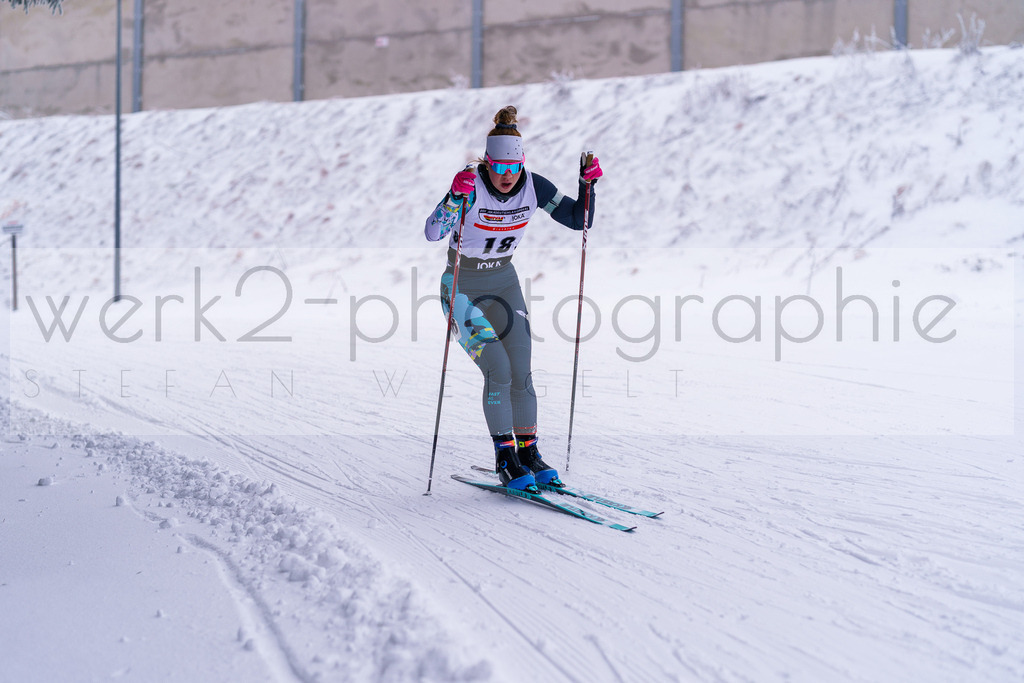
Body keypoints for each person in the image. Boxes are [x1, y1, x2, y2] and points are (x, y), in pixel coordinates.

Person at [424, 105, 603, 491]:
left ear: (522, 165)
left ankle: (529, 454)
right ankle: (505, 458)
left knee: (521, 371)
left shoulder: (534, 185)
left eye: (514, 169)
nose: (507, 177)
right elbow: (433, 232)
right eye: (499, 169)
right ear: (486, 164)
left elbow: (578, 219)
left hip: (504, 282)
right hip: (461, 286)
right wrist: (454, 197)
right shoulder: (471, 187)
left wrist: (587, 187)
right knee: (498, 370)